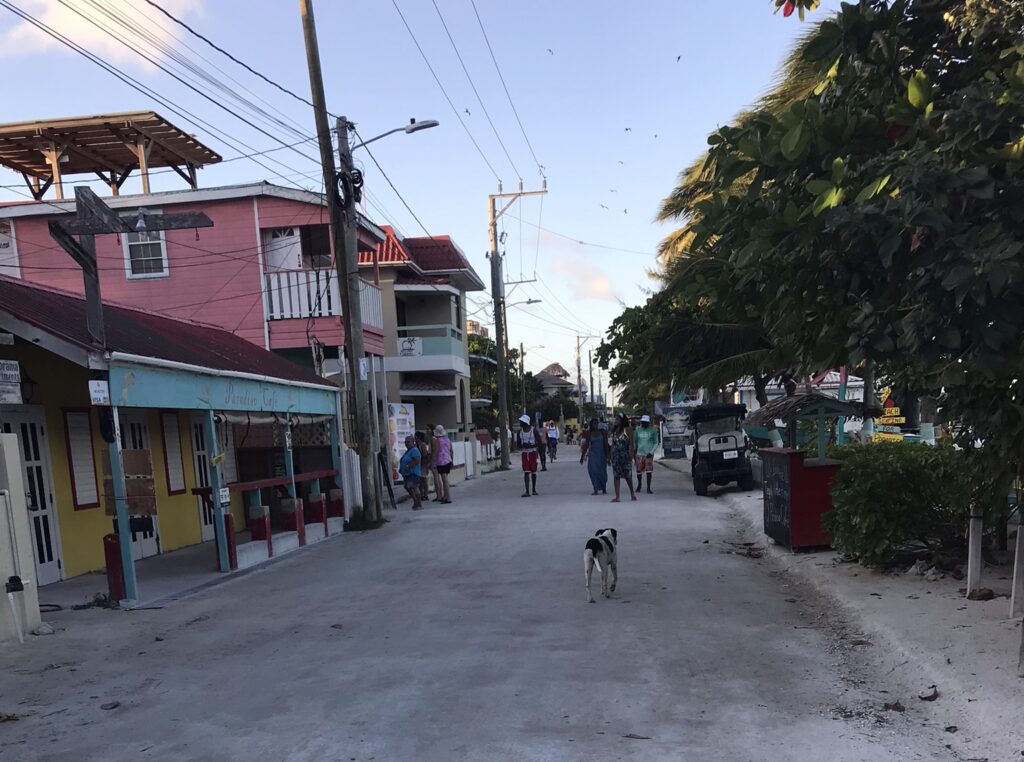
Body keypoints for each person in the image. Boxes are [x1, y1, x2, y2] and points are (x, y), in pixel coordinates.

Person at [610, 414, 637, 502]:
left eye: (617, 419)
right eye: (615, 419)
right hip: (616, 455)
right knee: (616, 475)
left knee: (628, 476)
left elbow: (632, 443)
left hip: (625, 455)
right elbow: (613, 444)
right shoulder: (614, 430)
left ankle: (632, 493)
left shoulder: (628, 429)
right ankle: (617, 496)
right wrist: (610, 456)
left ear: (622, 420)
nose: (615, 420)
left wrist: (632, 454)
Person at [579, 417, 609, 495]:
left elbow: (606, 444)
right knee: (593, 471)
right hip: (593, 454)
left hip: (602, 454)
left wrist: (608, 456)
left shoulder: (602, 432)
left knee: (602, 472)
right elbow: (586, 445)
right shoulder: (589, 433)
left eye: (596, 423)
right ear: (591, 425)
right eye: (594, 424)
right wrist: (582, 456)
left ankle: (604, 488)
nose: (595, 425)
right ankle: (595, 489)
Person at [634, 414, 660, 494]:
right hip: (639, 453)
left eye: (646, 422)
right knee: (639, 471)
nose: (644, 423)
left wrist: (651, 452)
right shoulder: (637, 430)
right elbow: (635, 441)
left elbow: (656, 442)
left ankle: (648, 487)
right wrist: (635, 451)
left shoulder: (652, 431)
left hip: (648, 454)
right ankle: (639, 485)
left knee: (649, 471)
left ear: (648, 423)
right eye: (643, 422)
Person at [516, 414, 539, 497]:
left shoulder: (534, 431)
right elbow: (518, 444)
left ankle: (533, 489)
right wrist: (523, 446)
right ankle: (527, 491)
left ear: (526, 422)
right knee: (526, 472)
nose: (520, 423)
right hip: (525, 453)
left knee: (533, 471)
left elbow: (538, 442)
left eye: (521, 421)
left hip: (532, 452)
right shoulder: (519, 432)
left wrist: (531, 445)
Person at [399, 435, 423, 510]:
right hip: (406, 473)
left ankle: (419, 503)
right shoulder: (408, 451)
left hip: (413, 473)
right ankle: (415, 501)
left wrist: (408, 466)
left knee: (414, 487)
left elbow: (417, 460)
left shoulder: (414, 450)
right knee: (407, 487)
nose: (406, 444)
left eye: (408, 442)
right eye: (405, 442)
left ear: (413, 442)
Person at [433, 425, 453, 504]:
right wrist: (452, 460)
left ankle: (448, 497)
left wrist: (434, 461)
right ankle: (445, 496)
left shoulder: (438, 440)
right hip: (448, 460)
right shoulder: (448, 439)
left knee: (444, 480)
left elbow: (436, 451)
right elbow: (451, 450)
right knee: (445, 479)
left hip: (441, 461)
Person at [416, 429, 432, 500]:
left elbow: (425, 455)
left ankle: (425, 494)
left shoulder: (422, 445)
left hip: (422, 464)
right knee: (420, 480)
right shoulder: (416, 445)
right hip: (418, 464)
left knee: (423, 479)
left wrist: (426, 465)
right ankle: (421, 494)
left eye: (416, 437)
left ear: (419, 437)